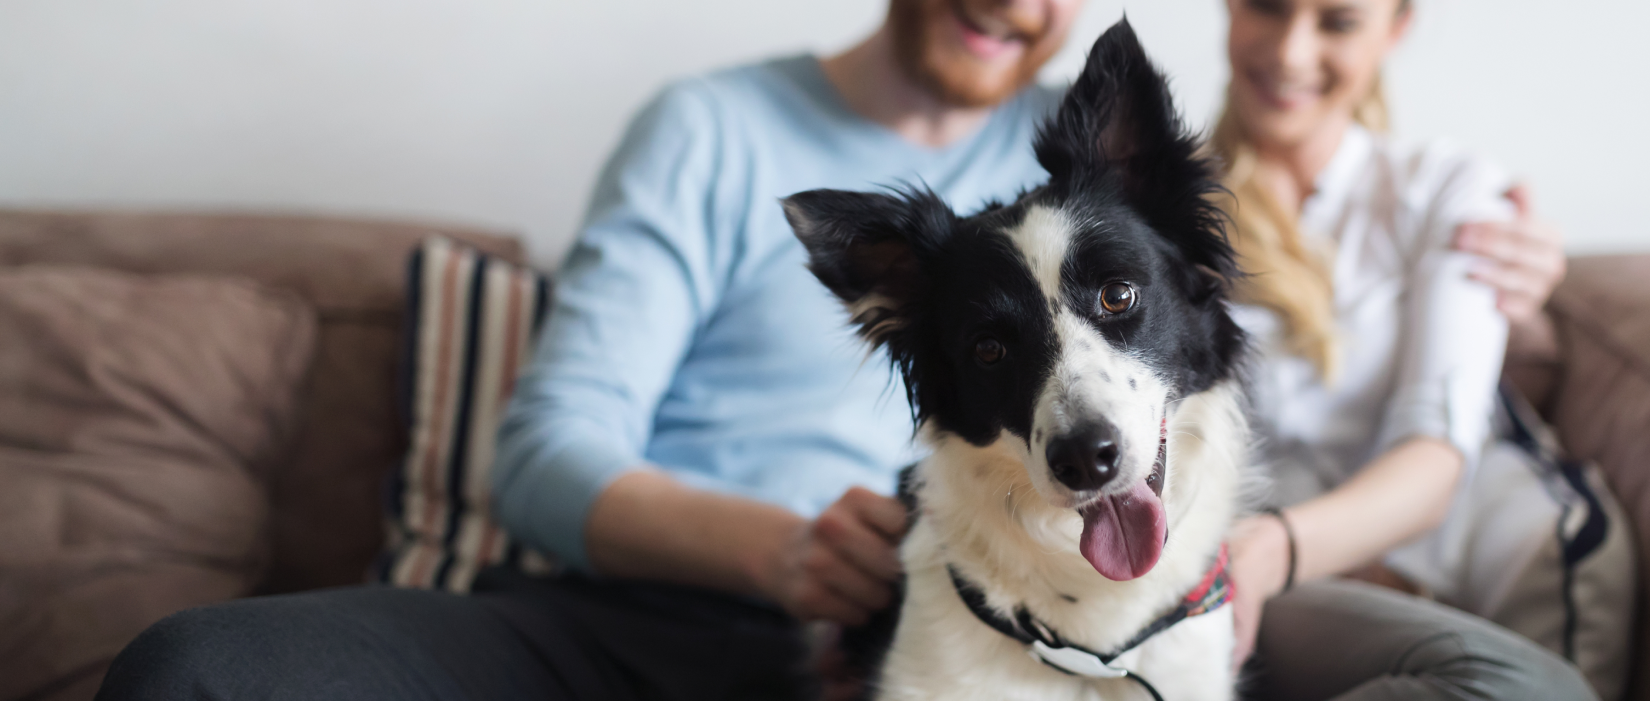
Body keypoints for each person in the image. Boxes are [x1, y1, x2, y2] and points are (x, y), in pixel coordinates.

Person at [95, 1, 1592, 699]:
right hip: (644, 617)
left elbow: (1259, 241)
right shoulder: (710, 129)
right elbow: (539, 448)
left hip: (960, 621)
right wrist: (771, 552)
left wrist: (1518, 291)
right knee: (203, 671)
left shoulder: (1071, 173)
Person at [1209, 0, 1629, 699]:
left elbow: (1435, 459)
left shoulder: (1447, 190)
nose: (1289, 53)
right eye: (1268, 7)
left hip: (1291, 554)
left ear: (1396, 29)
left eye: (1337, 21)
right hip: (1256, 576)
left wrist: (1273, 548)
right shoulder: (1151, 201)